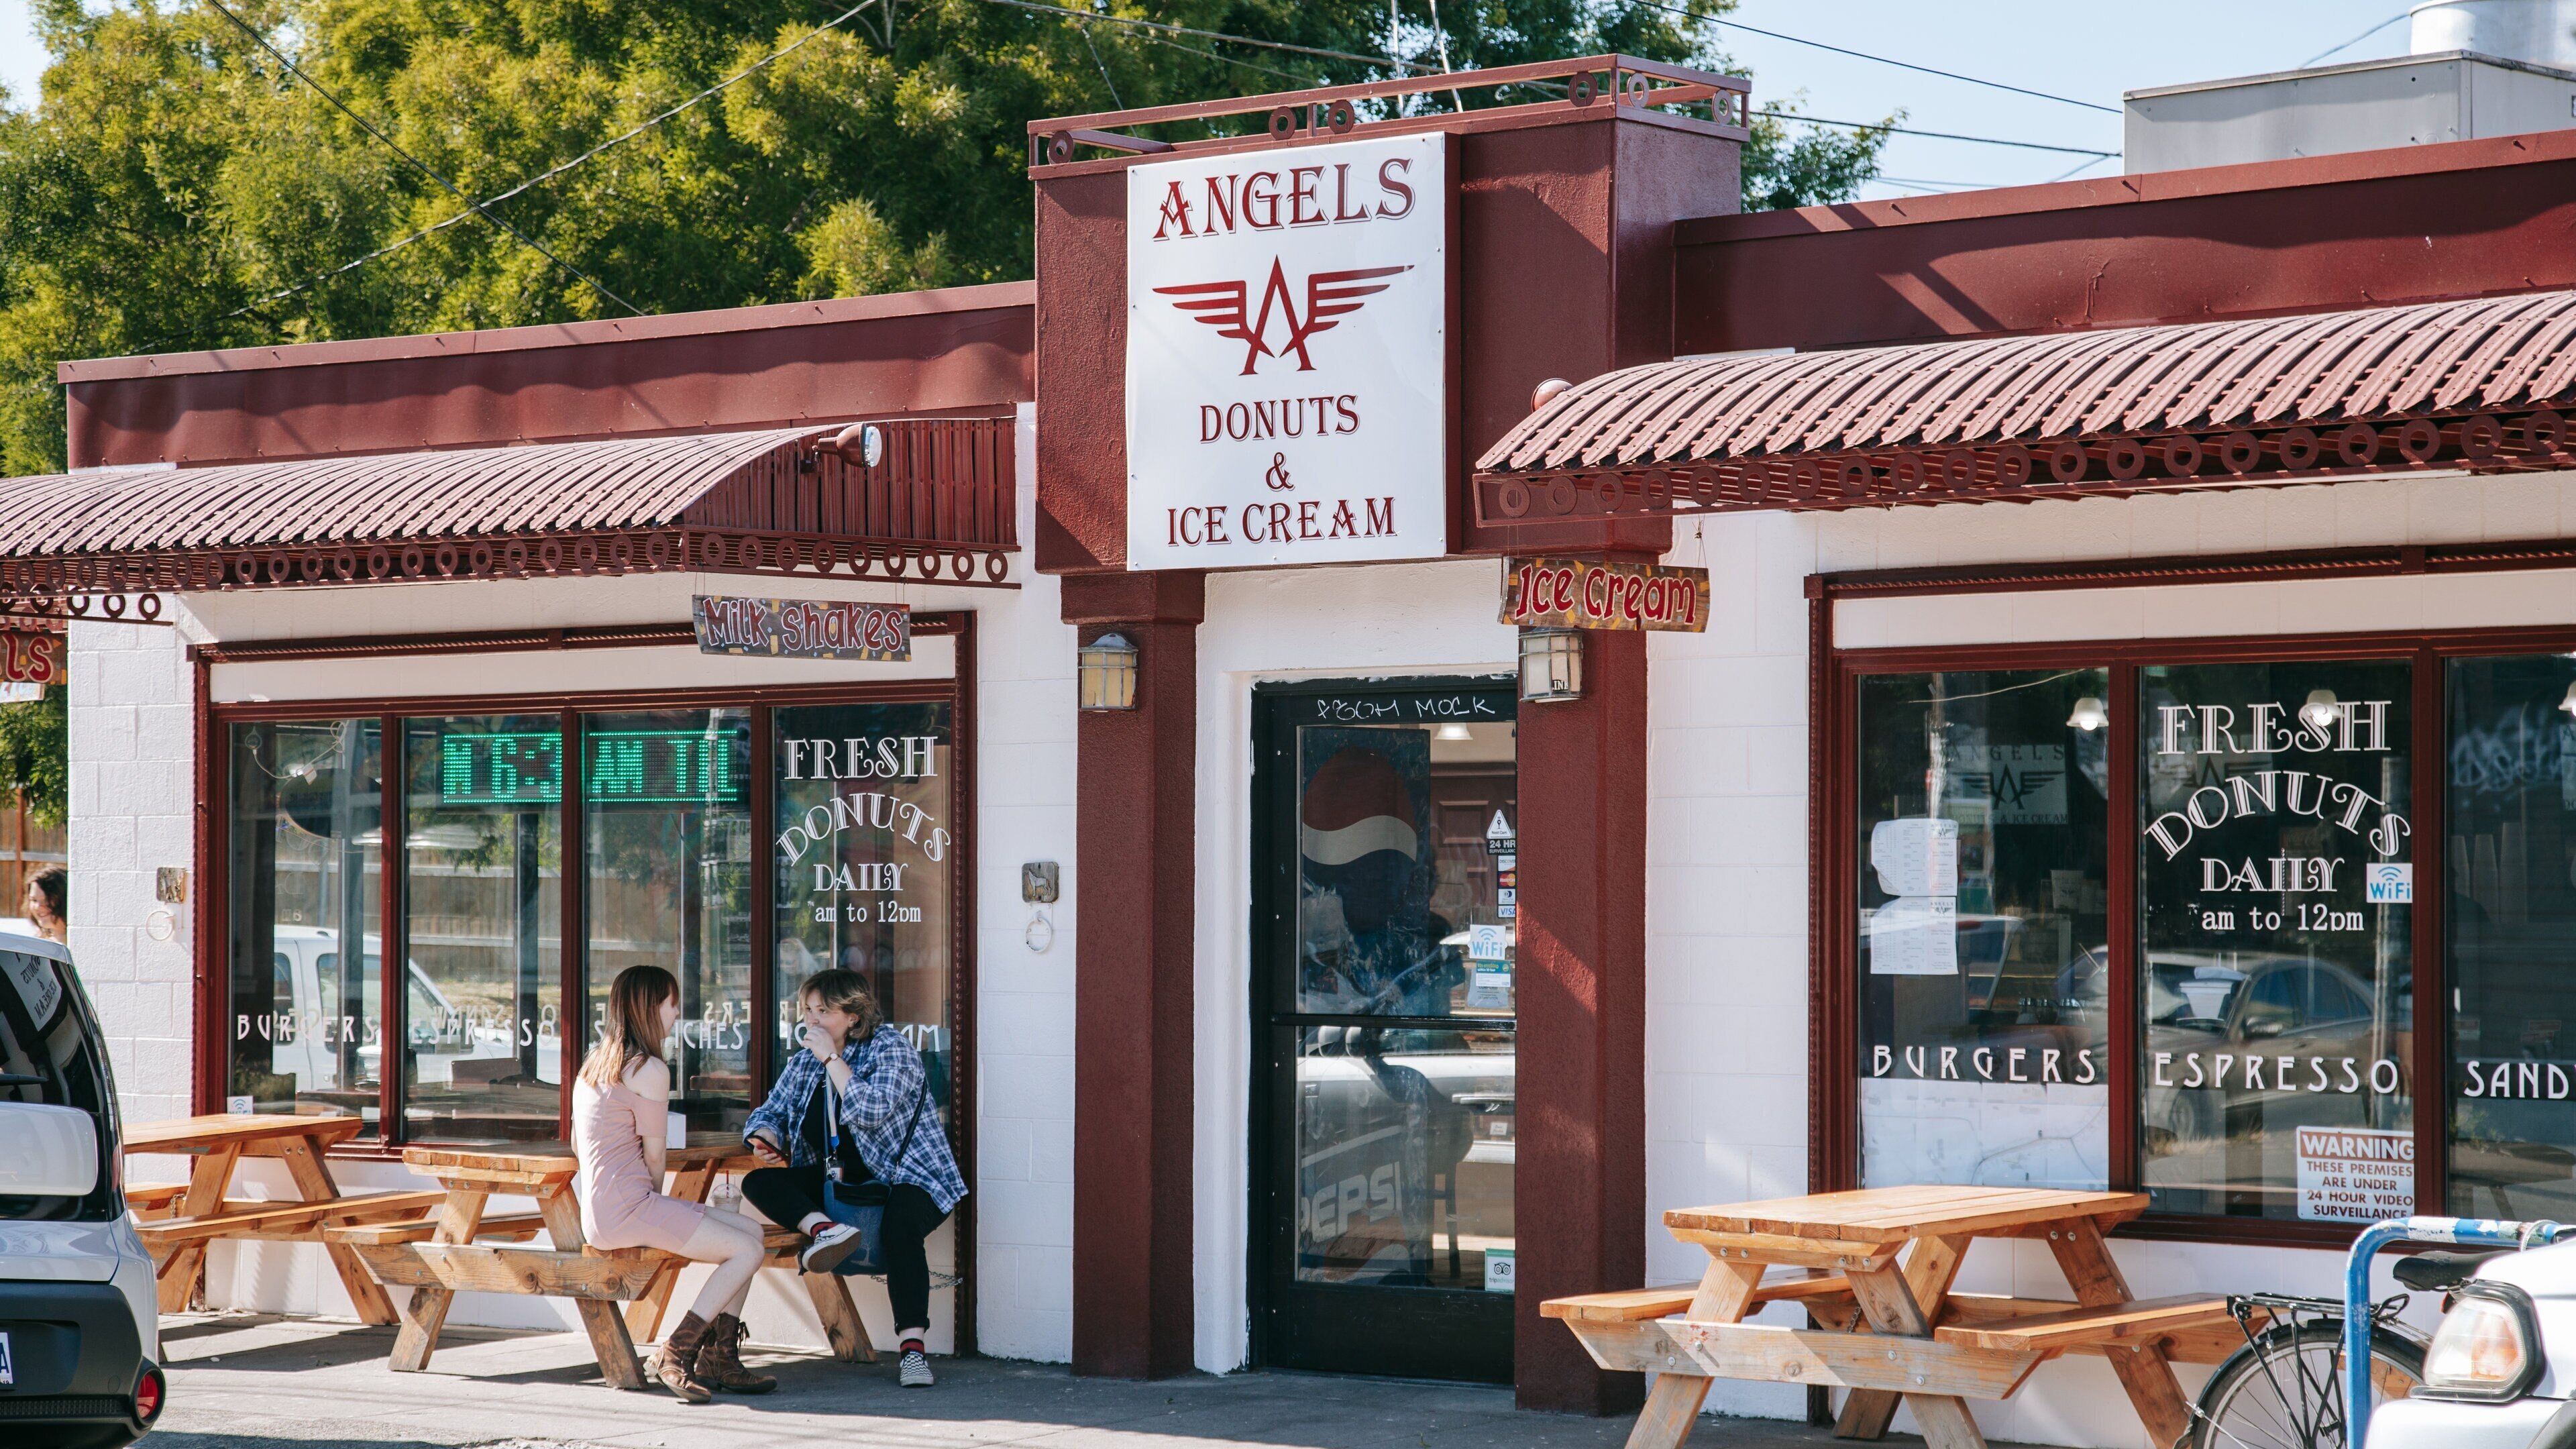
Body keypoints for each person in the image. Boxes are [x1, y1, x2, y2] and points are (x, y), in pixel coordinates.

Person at [742, 968, 965, 1389]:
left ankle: (913, 1353)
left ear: (854, 1016)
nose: (812, 1020)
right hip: (842, 1179)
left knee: (900, 1228)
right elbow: (771, 1110)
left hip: (909, 1173)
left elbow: (871, 1111)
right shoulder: (803, 1062)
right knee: (758, 1183)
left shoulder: (890, 1049)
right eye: (808, 1010)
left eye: (823, 1011)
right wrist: (765, 1136)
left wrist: (832, 1059)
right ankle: (826, 1232)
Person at [573, 965, 775, 1402]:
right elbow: (655, 1157)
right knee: (747, 1251)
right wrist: (660, 1208)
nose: (677, 1013)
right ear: (650, 1008)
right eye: (672, 1004)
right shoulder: (649, 1069)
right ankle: (676, 1351)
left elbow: (577, 1145)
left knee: (752, 1233)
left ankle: (721, 1357)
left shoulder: (593, 1064)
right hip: (631, 1208)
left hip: (602, 1211)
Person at [23, 865, 65, 943]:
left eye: (46, 900)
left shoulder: (81, 940)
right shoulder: (36, 943)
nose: (38, 906)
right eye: (34, 900)